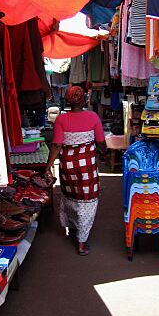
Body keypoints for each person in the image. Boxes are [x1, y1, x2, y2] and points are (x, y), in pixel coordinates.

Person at [45, 85, 106, 256]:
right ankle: (81, 242)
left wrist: (48, 166)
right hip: (87, 167)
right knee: (88, 199)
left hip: (68, 168)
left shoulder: (61, 120)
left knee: (71, 197)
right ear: (84, 99)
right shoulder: (93, 117)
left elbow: (57, 145)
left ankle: (72, 228)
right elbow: (101, 142)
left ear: (68, 100)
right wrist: (103, 150)